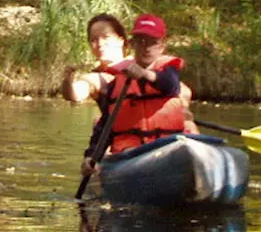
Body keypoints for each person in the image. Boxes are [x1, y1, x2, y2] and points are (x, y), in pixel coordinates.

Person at [80, 13, 189, 179]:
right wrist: (91, 156)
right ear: (132, 44)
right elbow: (105, 127)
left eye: (153, 42)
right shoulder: (116, 84)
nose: (147, 47)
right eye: (141, 41)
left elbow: (170, 86)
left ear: (162, 46)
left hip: (168, 148)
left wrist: (144, 74)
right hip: (131, 154)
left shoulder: (169, 72)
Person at [63, 13, 197, 131]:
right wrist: (67, 79)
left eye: (106, 37)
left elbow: (183, 91)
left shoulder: (148, 62)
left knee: (189, 124)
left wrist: (181, 107)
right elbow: (74, 95)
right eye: (94, 40)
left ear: (122, 40)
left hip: (160, 132)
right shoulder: (96, 78)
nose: (100, 44)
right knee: (98, 123)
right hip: (126, 137)